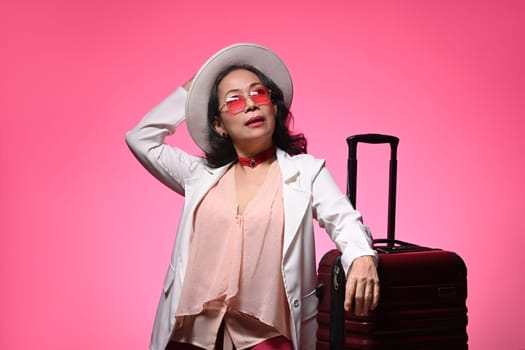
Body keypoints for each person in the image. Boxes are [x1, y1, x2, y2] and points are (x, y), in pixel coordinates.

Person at [126, 43, 380, 350]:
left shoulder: (306, 172)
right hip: (190, 338)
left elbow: (345, 221)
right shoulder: (199, 175)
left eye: (259, 94)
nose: (250, 105)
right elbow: (141, 138)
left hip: (268, 341)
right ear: (219, 126)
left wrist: (363, 256)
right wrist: (192, 89)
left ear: (274, 107)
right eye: (233, 101)